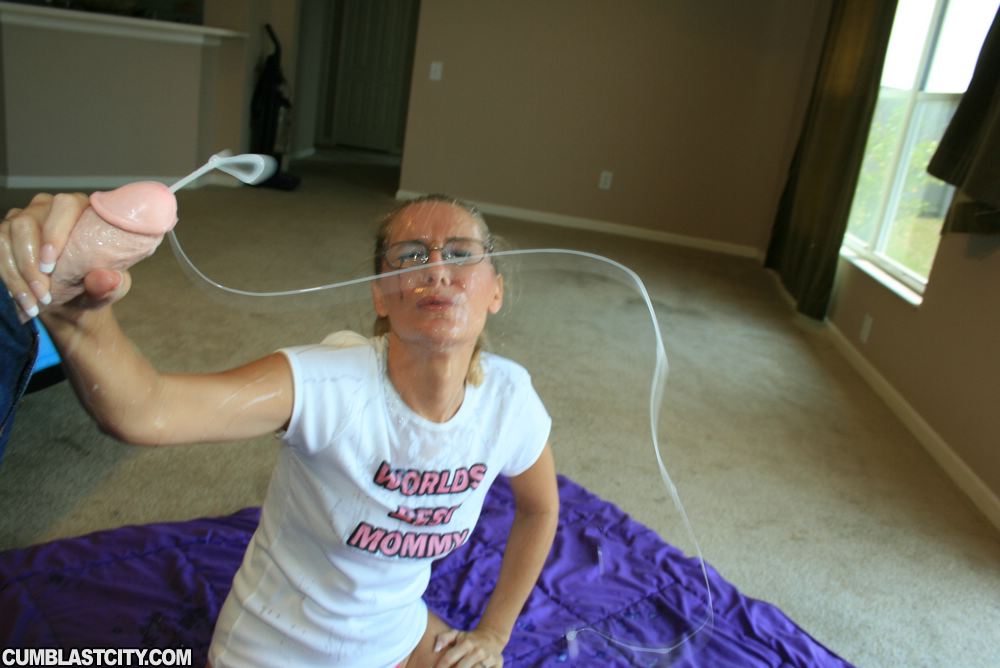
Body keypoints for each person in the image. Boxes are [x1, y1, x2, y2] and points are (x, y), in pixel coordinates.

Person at [0, 190, 559, 668]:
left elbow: (540, 510)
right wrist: (76, 315)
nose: (436, 269)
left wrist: (494, 634)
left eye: (460, 254)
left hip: (397, 634)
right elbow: (148, 409)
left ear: (495, 289)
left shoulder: (509, 400)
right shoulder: (330, 385)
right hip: (279, 652)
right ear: (380, 294)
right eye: (411, 255)